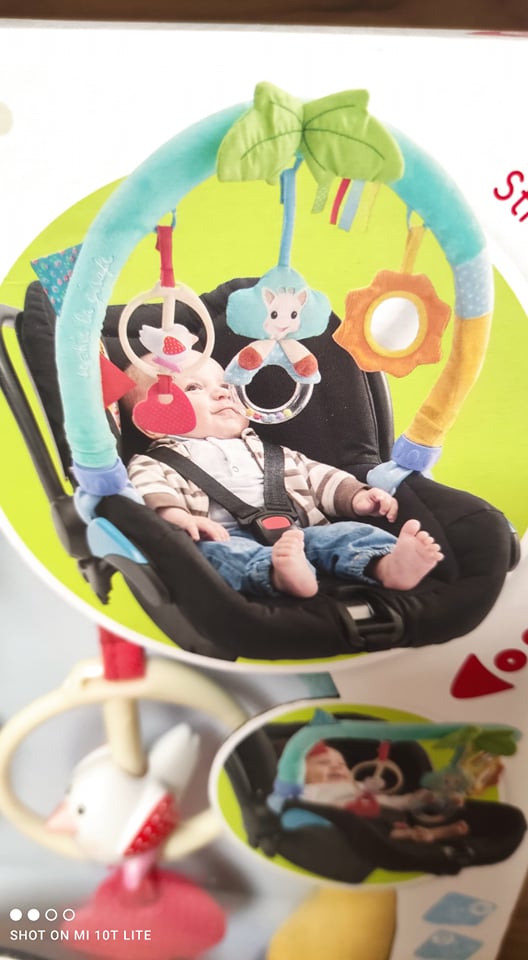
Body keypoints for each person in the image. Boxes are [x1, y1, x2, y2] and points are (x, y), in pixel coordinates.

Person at [126, 357, 444, 600]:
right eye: (194, 387)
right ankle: (279, 575)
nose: (222, 393)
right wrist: (179, 518)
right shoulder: (156, 461)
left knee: (347, 532)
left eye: (226, 385)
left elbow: (317, 476)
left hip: (299, 532)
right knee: (214, 558)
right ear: (152, 420)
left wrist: (357, 496)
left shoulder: (273, 454)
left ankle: (386, 564)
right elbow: (150, 490)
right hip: (224, 536)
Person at [302, 741, 470, 844]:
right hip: (346, 824)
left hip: (377, 810)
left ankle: (430, 799)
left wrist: (372, 785)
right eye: (324, 763)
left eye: (342, 764)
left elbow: (381, 797)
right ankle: (423, 834)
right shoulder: (308, 789)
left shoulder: (353, 784)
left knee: (392, 801)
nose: (337, 767)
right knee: (370, 824)